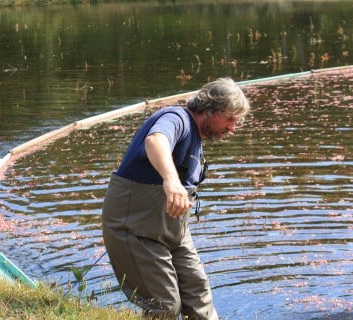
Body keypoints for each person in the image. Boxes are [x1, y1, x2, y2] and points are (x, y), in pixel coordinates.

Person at [102, 77, 250, 319]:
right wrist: (171, 180)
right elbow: (156, 140)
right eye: (230, 118)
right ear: (210, 109)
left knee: (198, 296)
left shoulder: (196, 137)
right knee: (164, 305)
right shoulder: (177, 118)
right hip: (134, 229)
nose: (232, 128)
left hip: (172, 230)